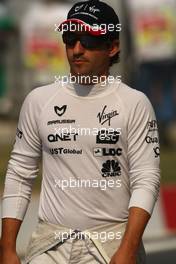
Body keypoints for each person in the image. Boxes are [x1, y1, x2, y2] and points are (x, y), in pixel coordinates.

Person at [0, 0, 160, 263]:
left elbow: (147, 179)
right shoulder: (39, 100)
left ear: (113, 47)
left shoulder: (134, 103)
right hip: (50, 244)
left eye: (88, 40)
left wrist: (128, 250)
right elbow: (19, 173)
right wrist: (7, 248)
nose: (77, 49)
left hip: (109, 245)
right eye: (70, 38)